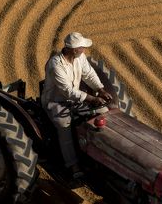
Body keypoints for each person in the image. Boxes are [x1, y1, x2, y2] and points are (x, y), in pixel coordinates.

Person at [41, 32, 113, 180]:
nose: (84, 50)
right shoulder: (55, 65)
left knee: (104, 110)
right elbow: (68, 92)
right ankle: (72, 164)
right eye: (82, 47)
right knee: (64, 125)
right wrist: (92, 98)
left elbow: (89, 74)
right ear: (74, 49)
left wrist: (100, 90)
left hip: (76, 99)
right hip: (56, 102)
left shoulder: (79, 58)